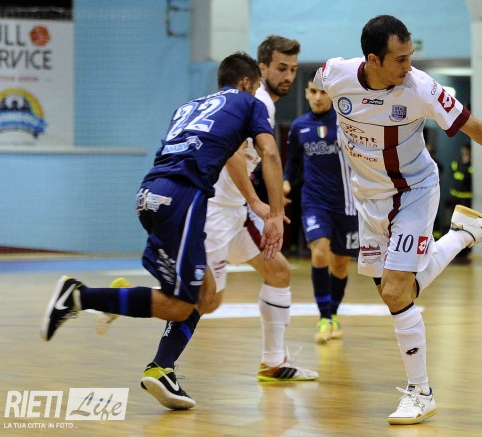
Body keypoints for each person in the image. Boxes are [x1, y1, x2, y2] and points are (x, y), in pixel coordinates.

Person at [314, 15, 482, 425]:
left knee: (396, 291)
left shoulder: (421, 89)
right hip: (368, 200)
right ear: (373, 60)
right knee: (397, 293)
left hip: (414, 192)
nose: (408, 65)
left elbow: (475, 128)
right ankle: (463, 234)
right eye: (399, 59)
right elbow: (319, 82)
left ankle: (421, 392)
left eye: (411, 56)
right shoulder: (335, 74)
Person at [40, 52, 287, 409]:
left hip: (149, 194)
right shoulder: (250, 103)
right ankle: (80, 297)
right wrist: (274, 213)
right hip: (184, 199)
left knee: (205, 295)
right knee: (180, 305)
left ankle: (162, 367)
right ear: (248, 82)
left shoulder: (189, 106)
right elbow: (270, 154)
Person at [203, 36, 318, 382]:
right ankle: (120, 299)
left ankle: (273, 361)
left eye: (293, 69)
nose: (289, 76)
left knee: (278, 271)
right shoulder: (259, 102)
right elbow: (234, 153)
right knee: (204, 303)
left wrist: (265, 202)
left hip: (234, 212)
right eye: (281, 68)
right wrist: (260, 202)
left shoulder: (259, 102)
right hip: (215, 210)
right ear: (261, 68)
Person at [283, 72, 359, 344]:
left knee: (340, 263)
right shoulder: (299, 126)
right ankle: (324, 317)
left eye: (323, 92)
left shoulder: (346, 123)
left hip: (347, 203)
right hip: (314, 201)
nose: (317, 97)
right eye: (313, 92)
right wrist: (285, 182)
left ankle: (333, 313)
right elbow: (292, 161)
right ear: (306, 93)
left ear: (332, 94)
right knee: (319, 252)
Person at [449, 142, 473, 262]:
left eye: (466, 151)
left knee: (466, 225)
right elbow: (453, 177)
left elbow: (468, 179)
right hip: (456, 199)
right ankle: (456, 250)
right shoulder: (456, 164)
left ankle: (466, 250)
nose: (464, 153)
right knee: (455, 225)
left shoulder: (471, 165)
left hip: (466, 200)